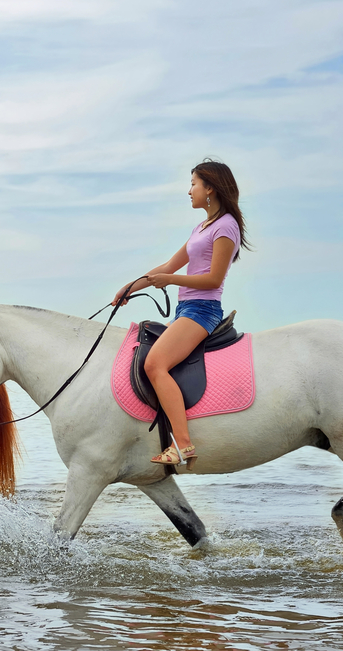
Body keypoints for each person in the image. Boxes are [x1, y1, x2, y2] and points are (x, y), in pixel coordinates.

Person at [112, 160, 249, 466]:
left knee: (154, 363)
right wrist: (131, 287)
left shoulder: (226, 225)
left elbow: (213, 279)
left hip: (203, 309)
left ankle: (183, 444)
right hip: (185, 308)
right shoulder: (202, 227)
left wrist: (171, 280)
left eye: (193, 184)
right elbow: (168, 267)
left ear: (210, 187)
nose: (189, 191)